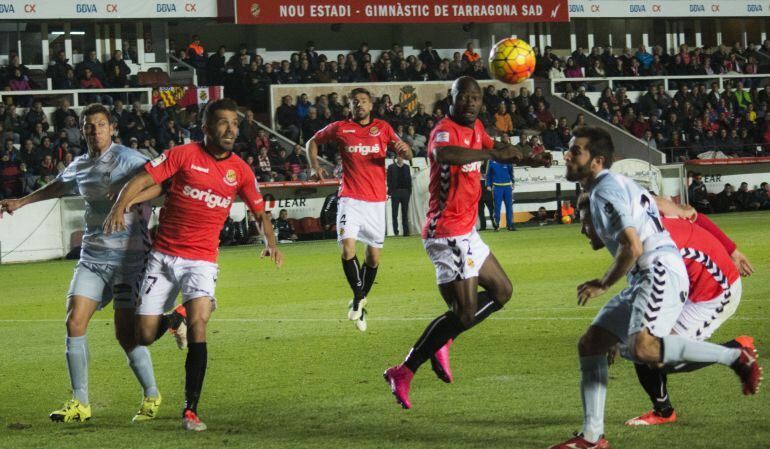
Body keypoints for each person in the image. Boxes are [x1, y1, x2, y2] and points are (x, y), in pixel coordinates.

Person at [549, 126, 760, 449]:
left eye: (575, 150)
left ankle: (734, 355)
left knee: (645, 350)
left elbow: (632, 247)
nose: (567, 154)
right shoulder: (617, 184)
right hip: (651, 274)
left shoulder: (605, 191)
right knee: (592, 343)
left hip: (661, 271)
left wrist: (602, 284)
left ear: (596, 161)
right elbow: (671, 208)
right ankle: (591, 437)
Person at [103, 98, 283, 431]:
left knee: (200, 323)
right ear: (206, 127)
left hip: (201, 260)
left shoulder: (240, 170)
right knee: (141, 336)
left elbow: (260, 211)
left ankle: (191, 410)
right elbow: (144, 178)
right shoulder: (183, 155)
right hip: (163, 257)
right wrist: (120, 205)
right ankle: (174, 319)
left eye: (234, 123)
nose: (230, 129)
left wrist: (270, 243)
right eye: (222, 122)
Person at [0, 103, 164, 424]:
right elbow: (59, 186)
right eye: (89, 126)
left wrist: (127, 200)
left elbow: (160, 185)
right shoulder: (79, 165)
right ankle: (80, 402)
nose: (95, 131)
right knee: (74, 322)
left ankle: (151, 394)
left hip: (128, 259)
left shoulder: (130, 159)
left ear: (112, 128)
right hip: (92, 256)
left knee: (125, 334)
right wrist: (21, 201)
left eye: (101, 125)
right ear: (82, 130)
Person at [383, 76, 532, 409]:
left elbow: (497, 149)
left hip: (467, 230)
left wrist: (523, 155)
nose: (470, 101)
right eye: (463, 96)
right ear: (451, 99)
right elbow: (444, 153)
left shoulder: (477, 127)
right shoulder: (445, 130)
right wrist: (489, 150)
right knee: (463, 313)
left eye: (476, 97)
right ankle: (404, 370)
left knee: (502, 291)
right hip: (447, 231)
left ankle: (442, 340)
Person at [620, 197, 754, 426]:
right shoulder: (647, 213)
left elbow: (651, 290)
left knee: (656, 354)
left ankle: (736, 351)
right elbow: (692, 214)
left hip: (715, 293)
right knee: (640, 343)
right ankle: (663, 411)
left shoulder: (649, 248)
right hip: (688, 284)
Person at [307, 88, 412, 332]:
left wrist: (405, 151)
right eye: (355, 102)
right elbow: (312, 141)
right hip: (350, 198)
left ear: (370, 105)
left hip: (376, 201)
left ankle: (359, 301)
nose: (360, 105)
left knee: (373, 258)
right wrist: (314, 167)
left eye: (364, 101)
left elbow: (404, 150)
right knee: (347, 249)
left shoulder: (383, 128)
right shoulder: (341, 128)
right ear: (350, 107)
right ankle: (358, 297)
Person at [485, 158, 515, 231]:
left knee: (509, 207)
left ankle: (510, 225)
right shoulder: (491, 160)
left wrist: (513, 182)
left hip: (507, 187)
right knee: (497, 207)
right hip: (497, 187)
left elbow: (511, 172)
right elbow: (488, 174)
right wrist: (488, 184)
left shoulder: (508, 159)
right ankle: (497, 225)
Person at [387, 154, 412, 236]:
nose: (400, 158)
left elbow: (409, 180)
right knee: (395, 213)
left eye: (401, 156)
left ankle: (406, 232)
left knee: (405, 213)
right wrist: (391, 191)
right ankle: (396, 232)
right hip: (395, 192)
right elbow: (389, 180)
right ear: (396, 158)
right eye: (398, 156)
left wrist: (409, 191)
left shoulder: (407, 167)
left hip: (405, 192)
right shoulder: (391, 167)